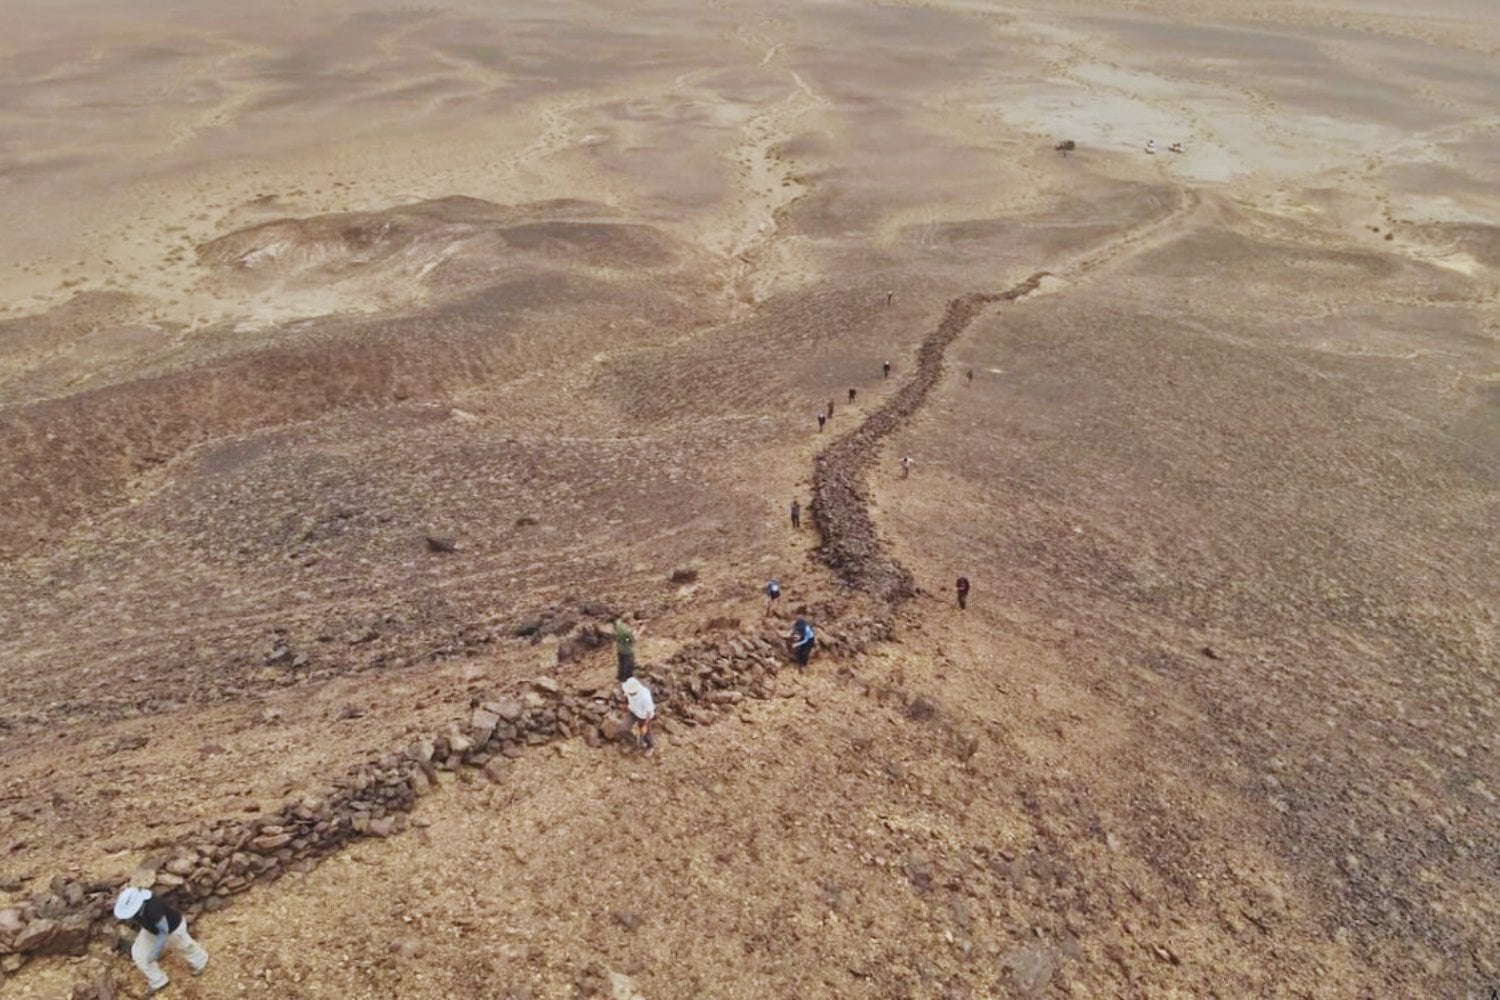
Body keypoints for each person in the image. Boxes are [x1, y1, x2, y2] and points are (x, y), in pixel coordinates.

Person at [113, 887, 208, 995]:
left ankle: (200, 961)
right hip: (151, 930)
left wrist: (155, 952)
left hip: (173, 929)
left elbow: (164, 931)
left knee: (185, 947)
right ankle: (158, 980)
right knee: (139, 954)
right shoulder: (137, 907)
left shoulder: (154, 908)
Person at [620, 677, 655, 751]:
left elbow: (649, 711)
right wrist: (624, 710)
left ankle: (650, 747)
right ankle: (632, 742)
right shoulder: (629, 689)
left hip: (644, 716)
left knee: (646, 733)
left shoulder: (645, 697)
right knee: (623, 728)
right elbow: (626, 698)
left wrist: (645, 725)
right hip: (633, 710)